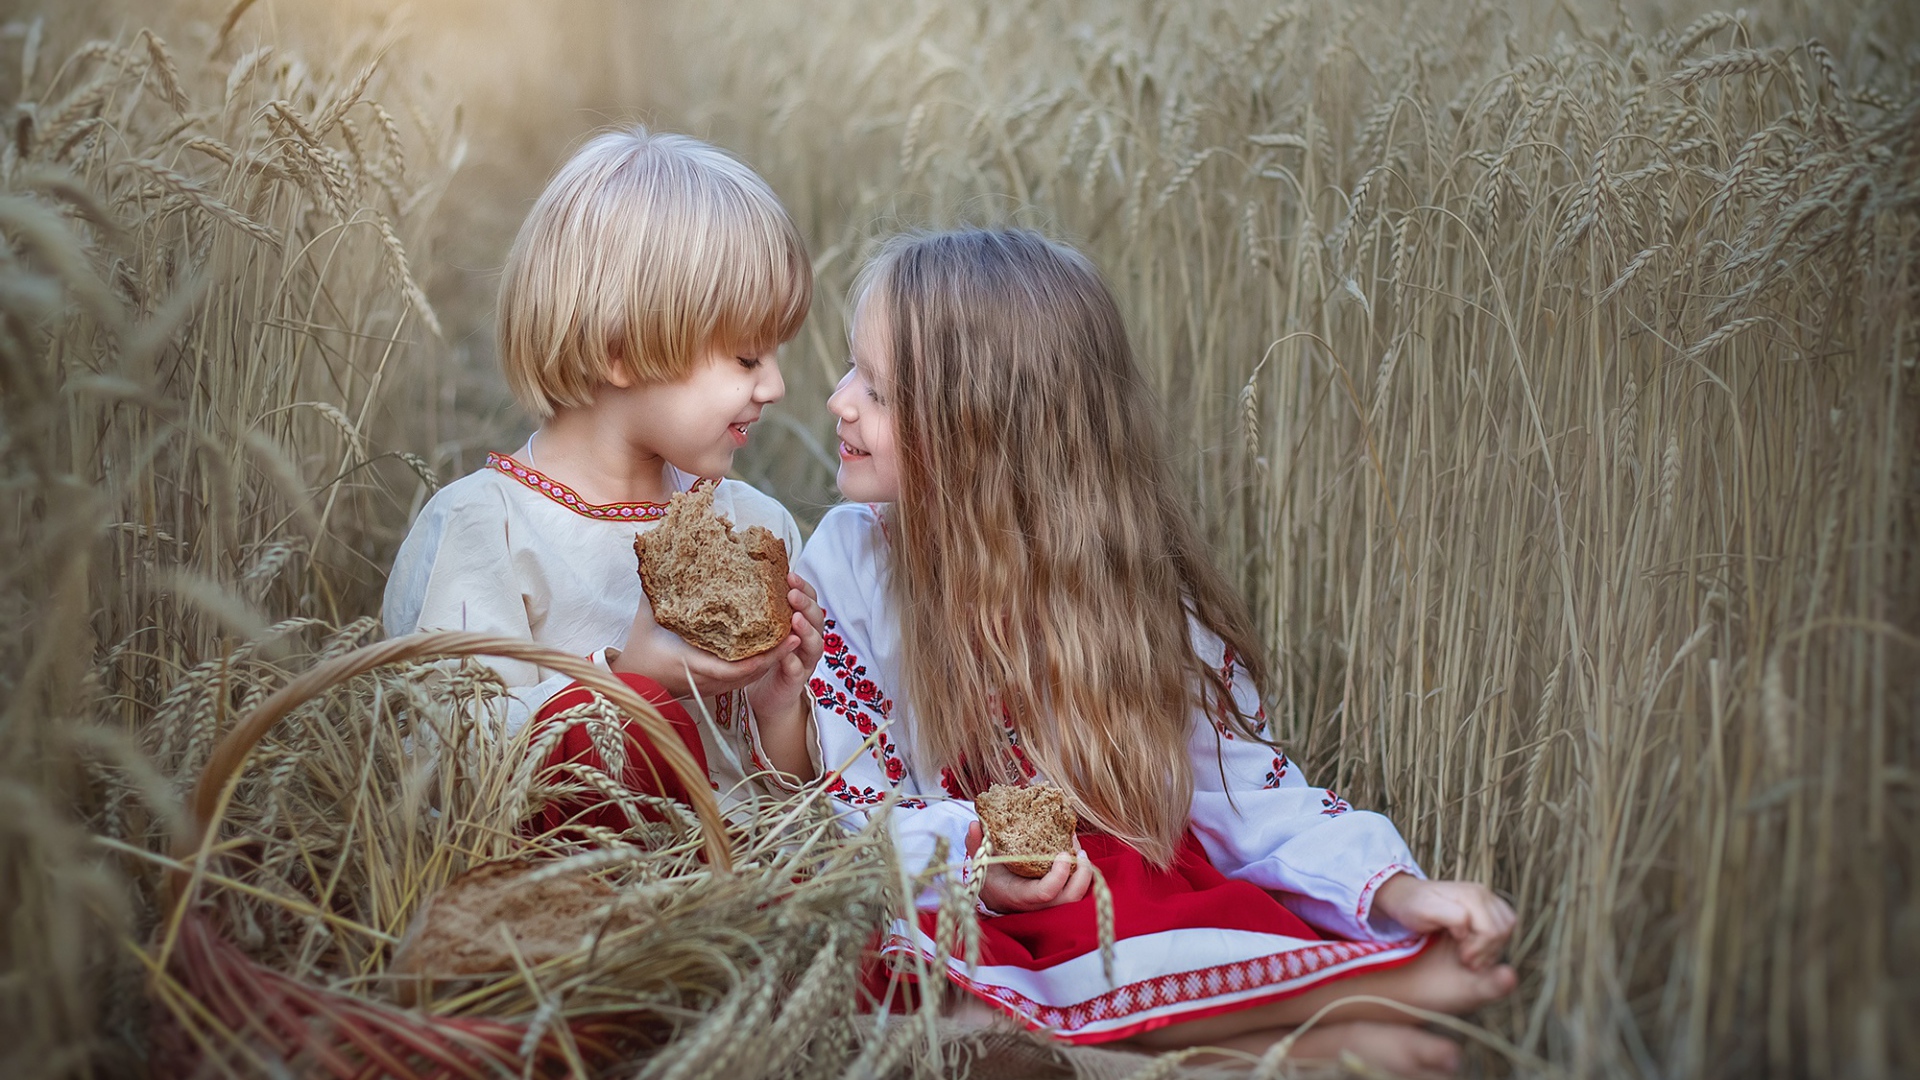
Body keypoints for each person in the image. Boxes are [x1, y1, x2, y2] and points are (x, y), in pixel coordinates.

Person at [796, 228, 1515, 1077]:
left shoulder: (1132, 594)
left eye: (878, 391)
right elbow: (855, 799)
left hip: (1109, 909)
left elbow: (1249, 795)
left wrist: (1398, 889)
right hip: (956, 900)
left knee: (1105, 908)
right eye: (852, 372)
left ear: (983, 430)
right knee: (901, 990)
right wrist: (978, 863)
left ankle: (1321, 1004)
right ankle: (1318, 1033)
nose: (839, 401)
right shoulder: (852, 560)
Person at [383, 127, 824, 829]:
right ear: (620, 350)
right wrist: (628, 681)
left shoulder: (753, 528)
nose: (774, 386)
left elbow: (797, 805)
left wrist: (778, 708)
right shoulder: (484, 531)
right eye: (746, 358)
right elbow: (450, 776)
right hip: (563, 884)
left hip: (741, 879)